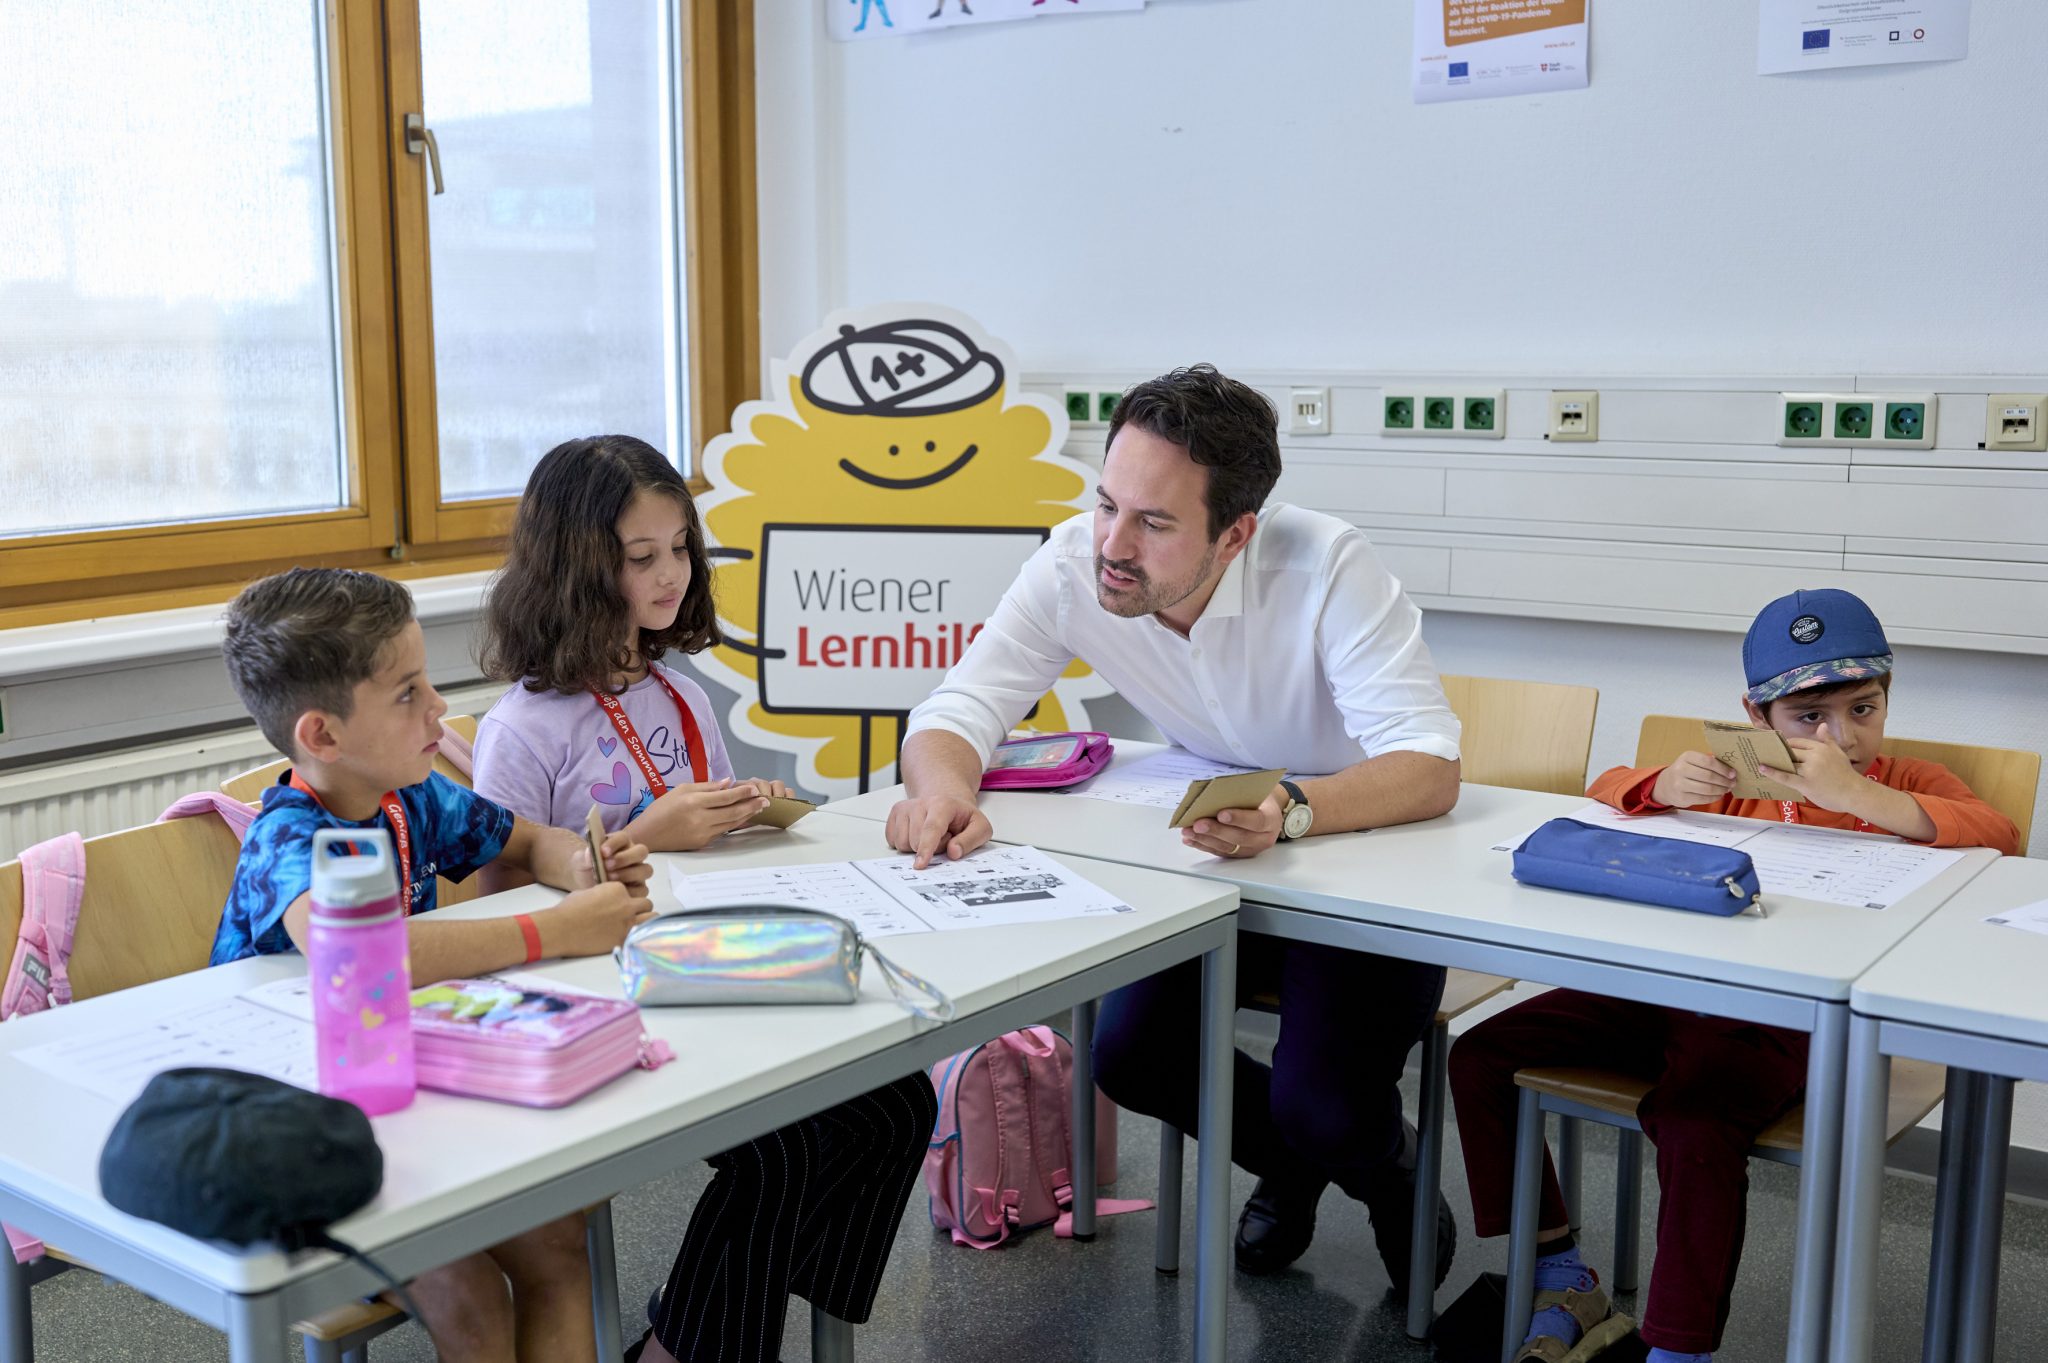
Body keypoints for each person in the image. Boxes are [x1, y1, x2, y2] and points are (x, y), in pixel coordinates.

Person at [886, 365, 1465, 1287]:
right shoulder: (1079, 559)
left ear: (1235, 533)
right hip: (1217, 862)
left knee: (1318, 1100)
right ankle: (1292, 1162)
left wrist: (1292, 808)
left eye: (1153, 523)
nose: (1111, 543)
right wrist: (942, 789)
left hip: (1359, 854)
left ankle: (1385, 1171)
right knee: (1131, 1056)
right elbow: (960, 705)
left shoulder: (1326, 566)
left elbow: (1429, 766)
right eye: (1107, 502)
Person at [1449, 587, 2021, 1363]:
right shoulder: (1742, 778)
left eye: (1864, 708)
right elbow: (1606, 791)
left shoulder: (1907, 781)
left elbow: (1997, 834)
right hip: (1666, 993)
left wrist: (1865, 797)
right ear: (1758, 718)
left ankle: (1677, 1349)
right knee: (1482, 1053)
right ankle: (1560, 1271)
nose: (1841, 737)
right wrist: (1661, 786)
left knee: (1694, 1125)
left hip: (1783, 1019)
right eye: (1808, 718)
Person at [471, 435, 936, 1363]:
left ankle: (715, 1319)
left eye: (681, 547)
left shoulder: (679, 695)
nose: (671, 574)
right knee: (781, 1148)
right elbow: (500, 904)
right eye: (641, 557)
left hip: (714, 965)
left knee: (899, 1102)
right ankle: (702, 1345)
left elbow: (704, 839)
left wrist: (746, 814)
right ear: (574, 568)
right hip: (609, 1000)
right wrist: (654, 831)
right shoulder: (520, 728)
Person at [214, 566, 656, 1363]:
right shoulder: (287, 838)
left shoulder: (409, 795)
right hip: (302, 1140)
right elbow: (369, 954)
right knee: (474, 1295)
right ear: (323, 736)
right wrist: (555, 928)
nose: (441, 709)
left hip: (403, 1104)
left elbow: (524, 838)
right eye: (409, 692)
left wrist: (583, 862)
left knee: (561, 1239)